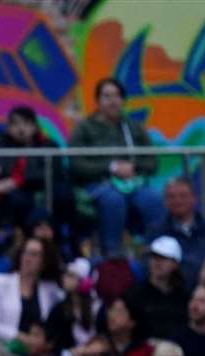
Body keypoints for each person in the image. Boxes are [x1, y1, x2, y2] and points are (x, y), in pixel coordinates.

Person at [68, 77, 164, 259]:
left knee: (152, 199)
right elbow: (76, 165)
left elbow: (152, 162)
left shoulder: (134, 128)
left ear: (123, 100)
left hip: (133, 184)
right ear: (97, 101)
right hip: (98, 186)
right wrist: (110, 167)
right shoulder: (85, 129)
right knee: (114, 201)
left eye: (117, 96)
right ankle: (112, 255)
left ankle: (156, 252)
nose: (112, 101)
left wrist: (132, 168)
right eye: (107, 96)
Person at [0, 106, 71, 244]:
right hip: (6, 199)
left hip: (41, 194)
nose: (21, 129)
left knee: (63, 195)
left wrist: (18, 180)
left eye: (26, 123)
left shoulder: (48, 145)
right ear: (8, 128)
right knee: (17, 200)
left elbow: (56, 173)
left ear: (35, 126)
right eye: (15, 124)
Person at [0, 235, 63, 346]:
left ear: (45, 261)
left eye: (34, 254)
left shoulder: (50, 289)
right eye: (25, 252)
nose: (27, 258)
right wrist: (20, 337)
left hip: (34, 351)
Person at [151, 176, 205, 286]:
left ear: (194, 199)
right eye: (171, 197)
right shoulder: (155, 232)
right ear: (165, 202)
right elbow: (147, 266)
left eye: (183, 196)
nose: (178, 201)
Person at [128, 237, 193, 343]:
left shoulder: (185, 297)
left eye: (163, 258)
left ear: (175, 264)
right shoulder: (134, 295)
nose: (157, 262)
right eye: (154, 257)